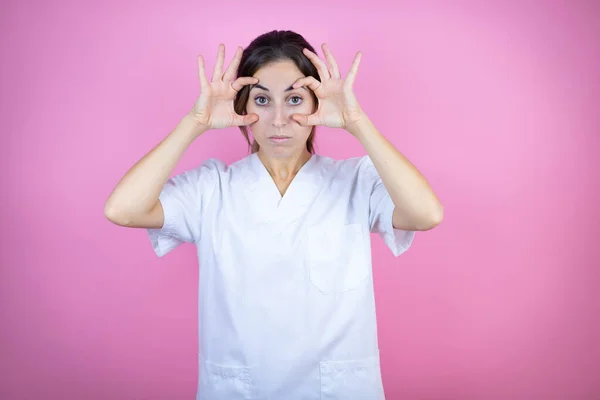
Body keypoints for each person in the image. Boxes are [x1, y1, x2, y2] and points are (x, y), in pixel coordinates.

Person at [104, 30, 443, 400]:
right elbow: (123, 209)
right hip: (240, 390)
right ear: (242, 107)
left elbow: (425, 214)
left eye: (294, 99)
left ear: (318, 103)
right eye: (262, 100)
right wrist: (194, 122)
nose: (278, 119)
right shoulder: (212, 188)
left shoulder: (354, 181)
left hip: (339, 389)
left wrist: (357, 122)